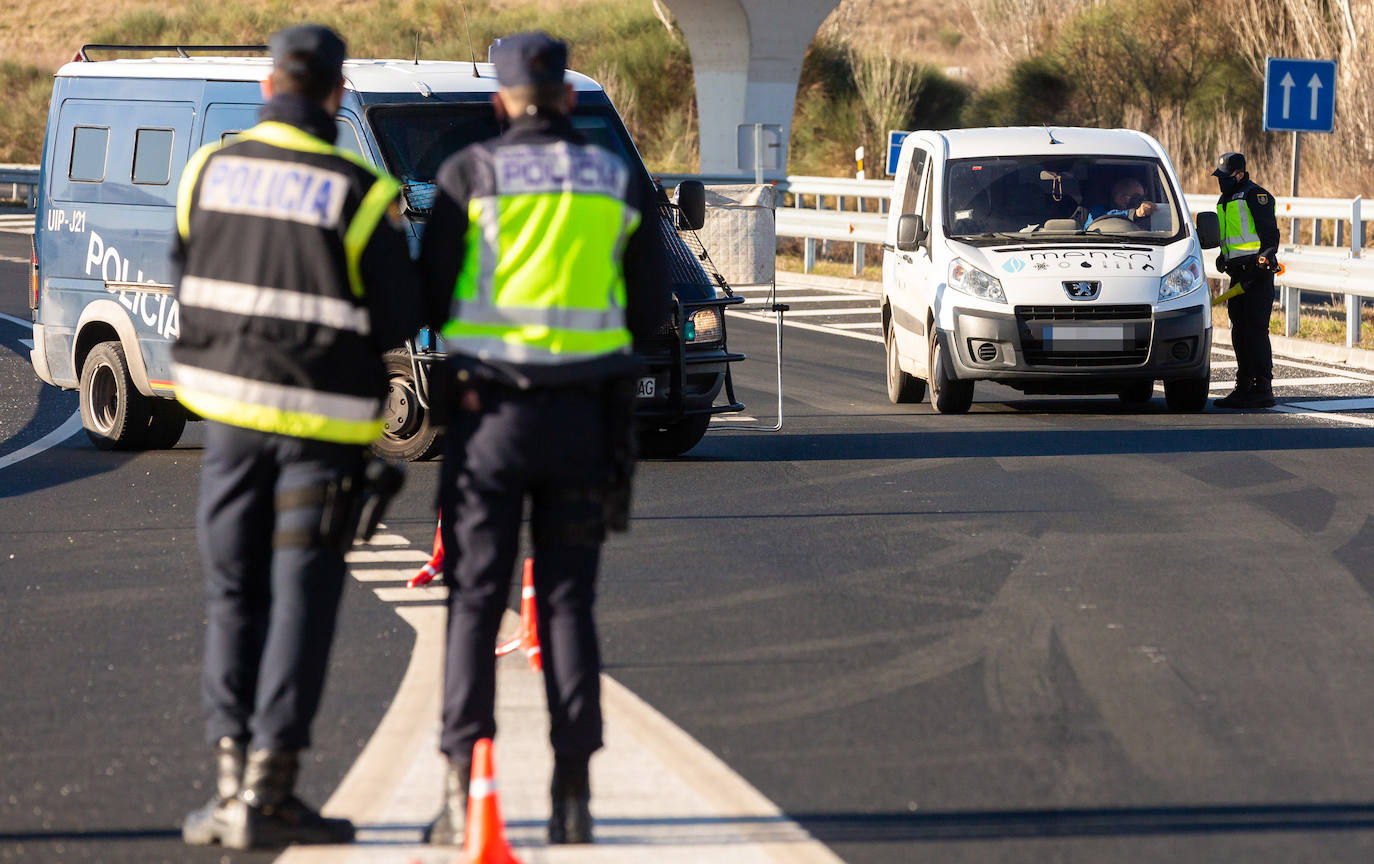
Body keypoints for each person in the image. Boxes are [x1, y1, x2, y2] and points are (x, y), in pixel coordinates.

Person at [417, 31, 669, 847]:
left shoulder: (468, 176)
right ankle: (572, 792)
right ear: (565, 97)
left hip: (488, 422)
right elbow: (652, 311)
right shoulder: (617, 178)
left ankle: (463, 785)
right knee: (566, 605)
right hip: (587, 420)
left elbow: (430, 296)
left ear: (500, 103)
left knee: (475, 603)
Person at [173, 24, 420, 849]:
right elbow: (397, 319)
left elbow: (187, 272)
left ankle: (226, 778)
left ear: (266, 89)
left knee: (232, 593)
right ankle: (272, 788)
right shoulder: (363, 193)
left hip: (230, 425)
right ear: (336, 94)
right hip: (320, 432)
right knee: (299, 603)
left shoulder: (208, 170)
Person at [1210, 151, 1281, 409]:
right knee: (1239, 331)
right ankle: (1243, 386)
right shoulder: (1224, 199)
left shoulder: (1255, 195)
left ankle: (1263, 387)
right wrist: (1223, 257)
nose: (1221, 181)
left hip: (1256, 275)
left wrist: (1263, 260)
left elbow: (1270, 236)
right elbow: (1232, 235)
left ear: (1239, 174)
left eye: (1225, 177)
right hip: (1237, 274)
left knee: (1255, 332)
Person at [1085, 176, 1157, 228]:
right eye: (1136, 197)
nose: (1141, 201)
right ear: (1121, 198)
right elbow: (1101, 221)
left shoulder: (1144, 219)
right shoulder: (1097, 211)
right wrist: (1135, 214)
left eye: (1142, 198)